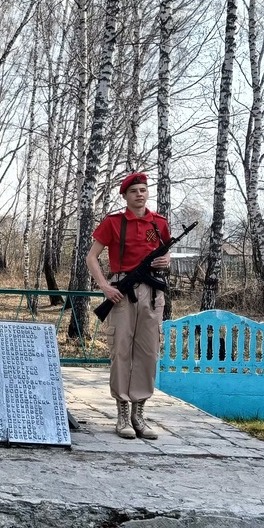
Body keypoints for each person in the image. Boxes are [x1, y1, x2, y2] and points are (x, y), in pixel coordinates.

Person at [85, 172, 171, 440]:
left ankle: (139, 414)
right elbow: (91, 257)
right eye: (134, 191)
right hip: (121, 291)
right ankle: (122, 413)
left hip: (153, 292)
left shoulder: (159, 223)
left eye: (144, 190)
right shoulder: (113, 223)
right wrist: (105, 286)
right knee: (121, 351)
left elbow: (165, 252)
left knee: (148, 352)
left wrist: (164, 262)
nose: (140, 194)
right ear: (125, 196)